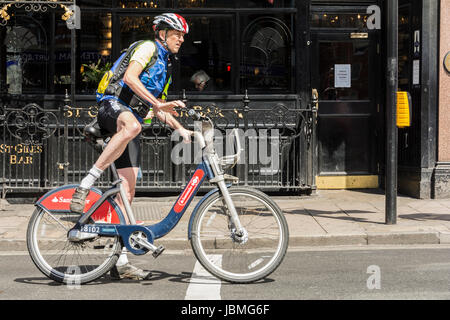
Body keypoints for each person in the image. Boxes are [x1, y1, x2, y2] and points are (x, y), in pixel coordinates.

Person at [70, 13, 192, 280]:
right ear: (161, 33)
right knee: (134, 126)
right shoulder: (148, 47)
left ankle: (121, 261)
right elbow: (130, 78)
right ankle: (86, 183)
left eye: (183, 36)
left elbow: (156, 106)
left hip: (130, 120)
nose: (181, 39)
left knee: (128, 189)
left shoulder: (166, 66)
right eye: (176, 34)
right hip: (112, 106)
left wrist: (181, 129)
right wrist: (158, 104)